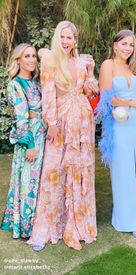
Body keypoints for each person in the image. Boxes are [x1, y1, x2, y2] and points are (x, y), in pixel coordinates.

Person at [27, 21, 99, 251]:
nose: (66, 41)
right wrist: (52, 123)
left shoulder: (81, 62)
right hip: (61, 121)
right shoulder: (50, 62)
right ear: (57, 38)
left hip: (82, 122)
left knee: (80, 170)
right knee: (55, 169)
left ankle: (78, 223)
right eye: (62, 37)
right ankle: (48, 227)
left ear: (75, 41)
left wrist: (91, 73)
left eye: (70, 38)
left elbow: (91, 91)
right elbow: (48, 94)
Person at [98, 29, 136, 237]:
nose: (127, 48)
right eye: (124, 44)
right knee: (123, 170)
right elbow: (106, 97)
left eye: (131, 45)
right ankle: (126, 216)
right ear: (115, 45)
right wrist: (129, 103)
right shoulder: (107, 65)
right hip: (119, 124)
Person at [1, 43, 46, 239]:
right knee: (28, 180)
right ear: (18, 60)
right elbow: (21, 119)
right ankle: (26, 226)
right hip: (30, 139)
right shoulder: (15, 85)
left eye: (33, 56)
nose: (31, 60)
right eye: (26, 56)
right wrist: (30, 145)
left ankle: (40, 221)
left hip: (43, 135)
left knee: (41, 180)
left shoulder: (37, 82)